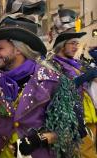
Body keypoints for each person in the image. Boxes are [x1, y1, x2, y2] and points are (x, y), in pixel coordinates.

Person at [0, 14, 85, 158]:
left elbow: (77, 129)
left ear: (18, 49)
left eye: (0, 48)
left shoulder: (53, 81)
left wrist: (40, 139)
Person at [51, 9, 97, 157]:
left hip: (89, 118)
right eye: (72, 43)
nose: (76, 47)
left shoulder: (77, 64)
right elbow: (57, 89)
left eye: (77, 43)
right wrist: (81, 79)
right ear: (61, 44)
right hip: (71, 122)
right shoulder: (52, 65)